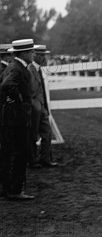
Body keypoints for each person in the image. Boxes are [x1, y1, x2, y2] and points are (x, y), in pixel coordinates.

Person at [0, 39, 36, 200]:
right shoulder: (18, 69)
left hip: (10, 118)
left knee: (8, 153)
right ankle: (15, 190)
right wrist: (19, 102)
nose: (34, 54)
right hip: (17, 119)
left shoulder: (11, 66)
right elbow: (7, 85)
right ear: (24, 53)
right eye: (32, 52)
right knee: (20, 153)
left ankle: (7, 188)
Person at [27, 45, 58, 168]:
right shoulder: (30, 70)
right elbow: (32, 91)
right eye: (42, 55)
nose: (44, 58)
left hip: (42, 108)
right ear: (35, 56)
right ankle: (32, 160)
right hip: (35, 108)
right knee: (33, 135)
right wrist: (37, 106)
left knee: (47, 133)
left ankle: (45, 158)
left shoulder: (39, 70)